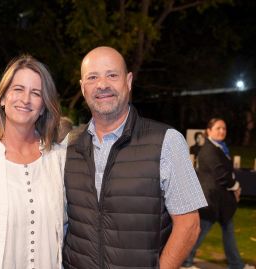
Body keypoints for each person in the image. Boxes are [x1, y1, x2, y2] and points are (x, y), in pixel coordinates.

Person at [63, 46, 208, 269]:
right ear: (83, 88)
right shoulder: (69, 147)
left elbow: (189, 225)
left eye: (112, 75)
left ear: (128, 81)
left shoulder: (167, 142)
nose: (102, 84)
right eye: (93, 77)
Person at [0, 55, 66, 269]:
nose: (25, 99)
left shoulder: (59, 158)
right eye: (18, 89)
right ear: (2, 98)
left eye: (35, 93)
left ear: (44, 106)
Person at [182, 118, 255, 269]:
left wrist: (234, 185)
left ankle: (236, 264)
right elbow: (220, 174)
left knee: (228, 232)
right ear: (209, 131)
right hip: (211, 201)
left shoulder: (220, 148)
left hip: (221, 201)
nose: (222, 131)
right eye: (218, 128)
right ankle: (185, 262)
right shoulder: (209, 149)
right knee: (198, 233)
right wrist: (235, 187)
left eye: (224, 128)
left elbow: (226, 172)